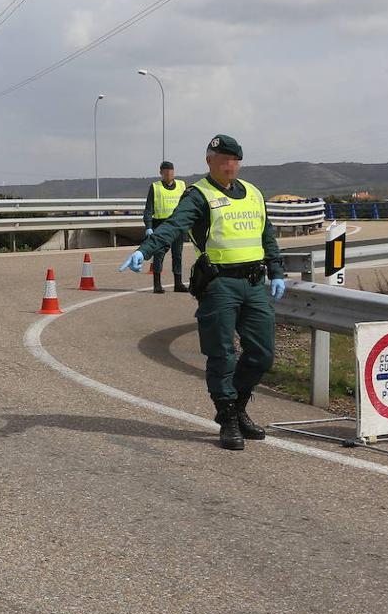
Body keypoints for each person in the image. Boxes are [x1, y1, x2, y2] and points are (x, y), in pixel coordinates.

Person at [120, 135, 286, 450]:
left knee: (261, 354)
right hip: (220, 284)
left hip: (253, 284)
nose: (229, 165)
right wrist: (145, 250)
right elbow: (172, 226)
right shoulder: (198, 195)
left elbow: (268, 236)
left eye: (234, 159)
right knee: (221, 354)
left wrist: (276, 271)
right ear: (209, 161)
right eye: (222, 159)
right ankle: (228, 418)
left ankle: (237, 407)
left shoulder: (253, 194)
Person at [143, 160, 188, 294]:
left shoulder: (181, 185)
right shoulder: (155, 187)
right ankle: (157, 284)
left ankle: (178, 283)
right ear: (161, 173)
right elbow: (148, 209)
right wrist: (148, 226)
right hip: (160, 225)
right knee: (159, 254)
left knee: (177, 255)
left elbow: (186, 205)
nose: (169, 174)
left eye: (171, 171)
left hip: (177, 225)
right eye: (166, 172)